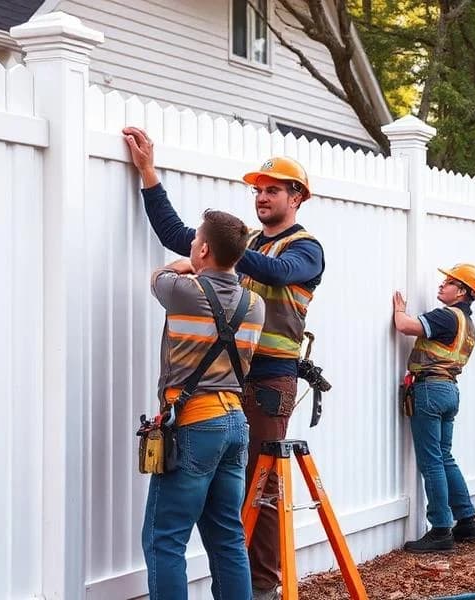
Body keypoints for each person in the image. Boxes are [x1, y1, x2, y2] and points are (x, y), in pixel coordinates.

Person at [124, 127, 324, 600]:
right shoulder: (246, 247)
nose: (261, 196)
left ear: (297, 197)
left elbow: (276, 271)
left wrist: (225, 257)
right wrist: (150, 176)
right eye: (257, 189)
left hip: (270, 381)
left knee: (263, 488)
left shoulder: (305, 248)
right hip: (232, 390)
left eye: (272, 189)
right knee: (228, 522)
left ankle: (265, 585)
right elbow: (178, 235)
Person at [143, 209, 265, 599]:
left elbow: (157, 277)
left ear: (205, 251)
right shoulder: (255, 304)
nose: (192, 246)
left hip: (197, 425)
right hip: (235, 425)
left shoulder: (183, 290)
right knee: (228, 536)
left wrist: (185, 265)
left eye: (195, 242)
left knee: (164, 539)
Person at [393, 264, 475, 553]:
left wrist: (399, 309)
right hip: (448, 390)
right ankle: (467, 522)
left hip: (430, 389)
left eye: (449, 282)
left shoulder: (447, 316)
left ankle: (441, 530)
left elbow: (405, 327)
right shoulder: (468, 325)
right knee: (445, 457)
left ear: (463, 292)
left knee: (431, 460)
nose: (441, 285)